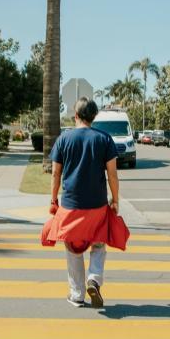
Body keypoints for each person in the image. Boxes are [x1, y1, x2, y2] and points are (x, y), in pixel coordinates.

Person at [46, 97, 121, 308]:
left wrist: (53, 199)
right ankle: (94, 279)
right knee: (98, 243)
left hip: (71, 205)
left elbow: (55, 174)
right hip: (97, 205)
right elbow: (112, 176)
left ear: (76, 115)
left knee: (73, 247)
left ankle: (77, 294)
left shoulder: (63, 139)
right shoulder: (105, 139)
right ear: (94, 116)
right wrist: (115, 200)